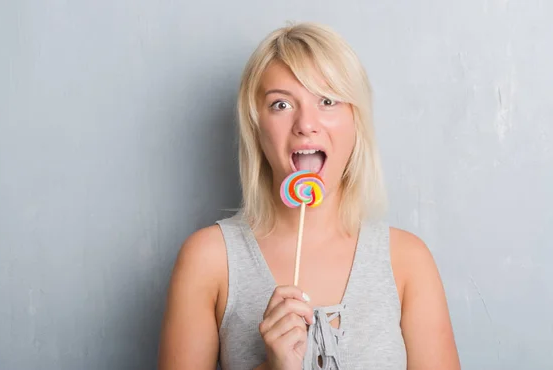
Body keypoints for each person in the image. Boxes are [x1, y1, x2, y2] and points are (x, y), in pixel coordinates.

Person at [158, 22, 460, 370]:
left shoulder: (407, 261)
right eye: (281, 104)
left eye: (327, 100)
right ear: (256, 128)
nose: (305, 124)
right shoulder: (208, 259)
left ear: (355, 121)